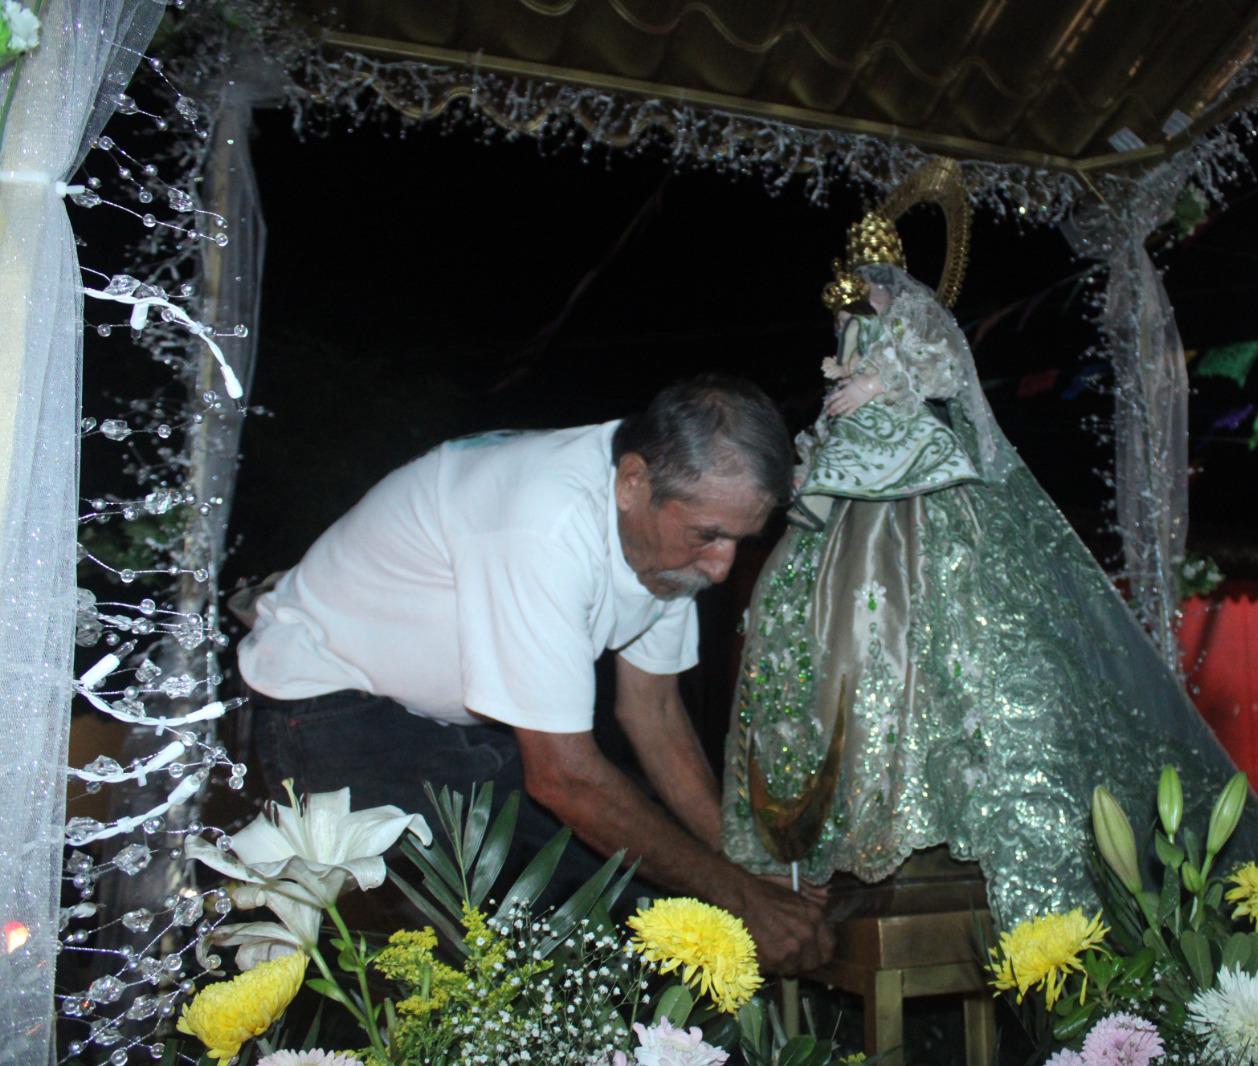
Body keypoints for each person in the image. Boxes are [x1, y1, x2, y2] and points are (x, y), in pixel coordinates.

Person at [720, 208, 1258, 931]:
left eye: (867, 285)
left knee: (934, 618)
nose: (856, 304)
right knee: (846, 628)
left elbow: (941, 367)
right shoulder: (855, 323)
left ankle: (933, 811)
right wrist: (840, 402)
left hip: (916, 481)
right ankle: (859, 815)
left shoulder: (917, 319)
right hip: (852, 485)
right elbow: (845, 379)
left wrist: (879, 385)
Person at [238, 376, 834, 974]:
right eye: (709, 535)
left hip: (452, 729)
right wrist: (741, 897)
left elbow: (651, 712)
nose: (723, 566)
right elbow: (564, 778)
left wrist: (747, 866)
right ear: (633, 482)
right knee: (564, 946)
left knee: (643, 912)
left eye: (740, 539)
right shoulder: (545, 523)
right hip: (329, 708)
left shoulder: (665, 536)